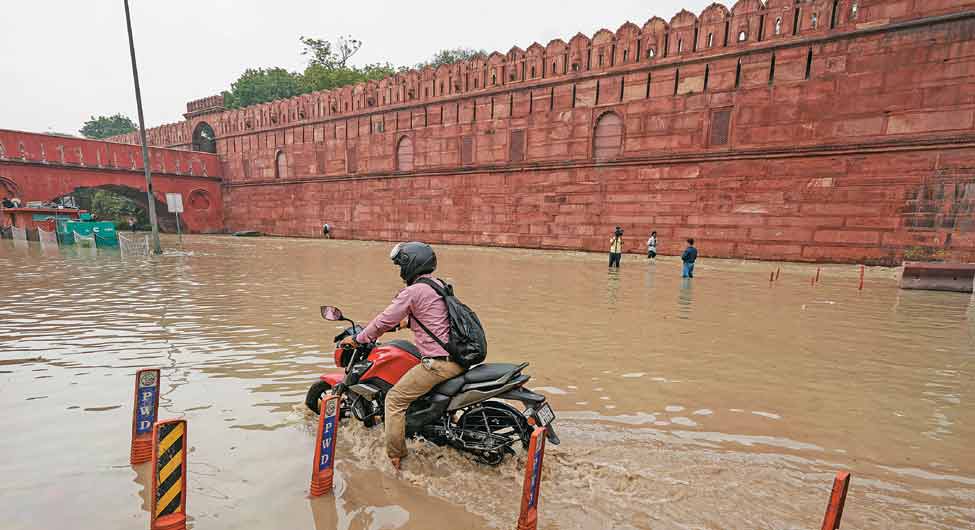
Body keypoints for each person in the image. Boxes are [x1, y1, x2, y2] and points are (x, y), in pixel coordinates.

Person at [339, 242, 464, 470]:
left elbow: (383, 319)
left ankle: (396, 457)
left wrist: (359, 338)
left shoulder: (414, 291)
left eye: (401, 266)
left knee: (394, 400)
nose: (400, 271)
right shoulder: (438, 286)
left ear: (411, 264)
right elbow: (430, 319)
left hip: (438, 364)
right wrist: (400, 326)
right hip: (457, 360)